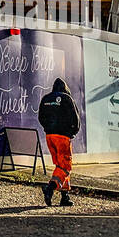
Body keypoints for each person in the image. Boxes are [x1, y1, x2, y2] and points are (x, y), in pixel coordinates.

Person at [38, 77, 81, 207]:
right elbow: (75, 119)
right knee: (65, 167)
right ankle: (50, 188)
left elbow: (40, 117)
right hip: (63, 137)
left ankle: (64, 197)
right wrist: (72, 132)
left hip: (50, 136)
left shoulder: (46, 99)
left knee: (59, 165)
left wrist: (48, 128)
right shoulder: (67, 98)